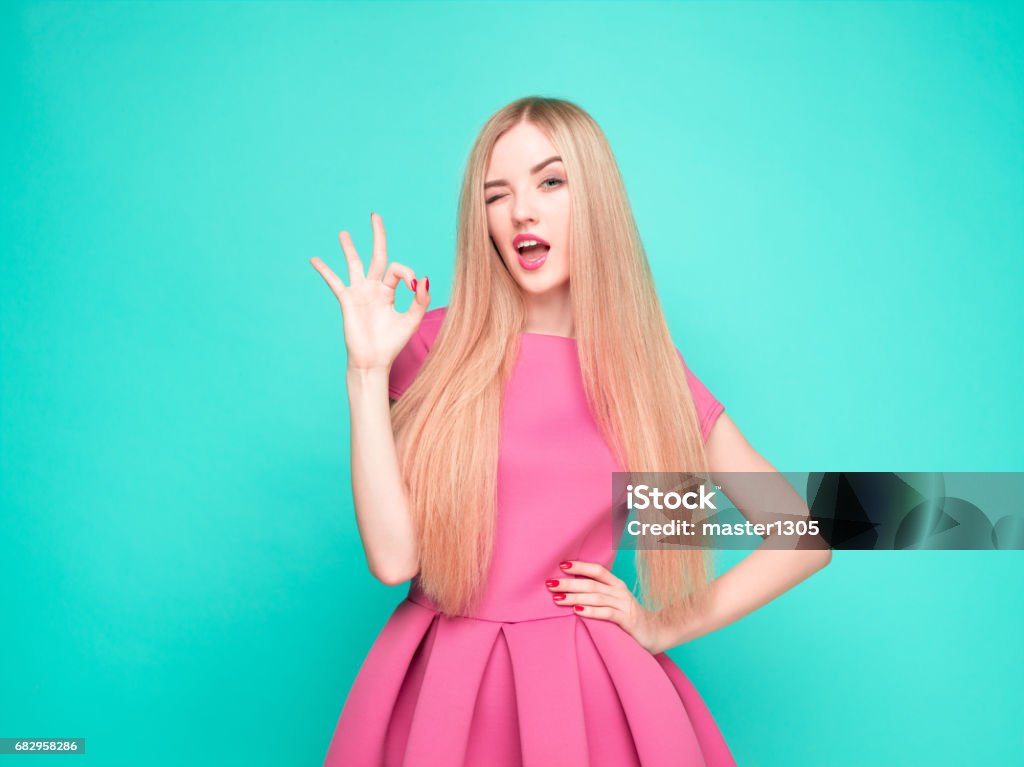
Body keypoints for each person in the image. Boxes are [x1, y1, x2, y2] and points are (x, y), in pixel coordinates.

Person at [310, 96, 831, 766]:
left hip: (587, 698)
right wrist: (365, 370)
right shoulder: (427, 347)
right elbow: (393, 560)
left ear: (596, 200)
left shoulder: (641, 373)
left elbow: (803, 535)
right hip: (439, 688)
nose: (522, 209)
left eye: (550, 182)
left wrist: (661, 623)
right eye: (497, 195)